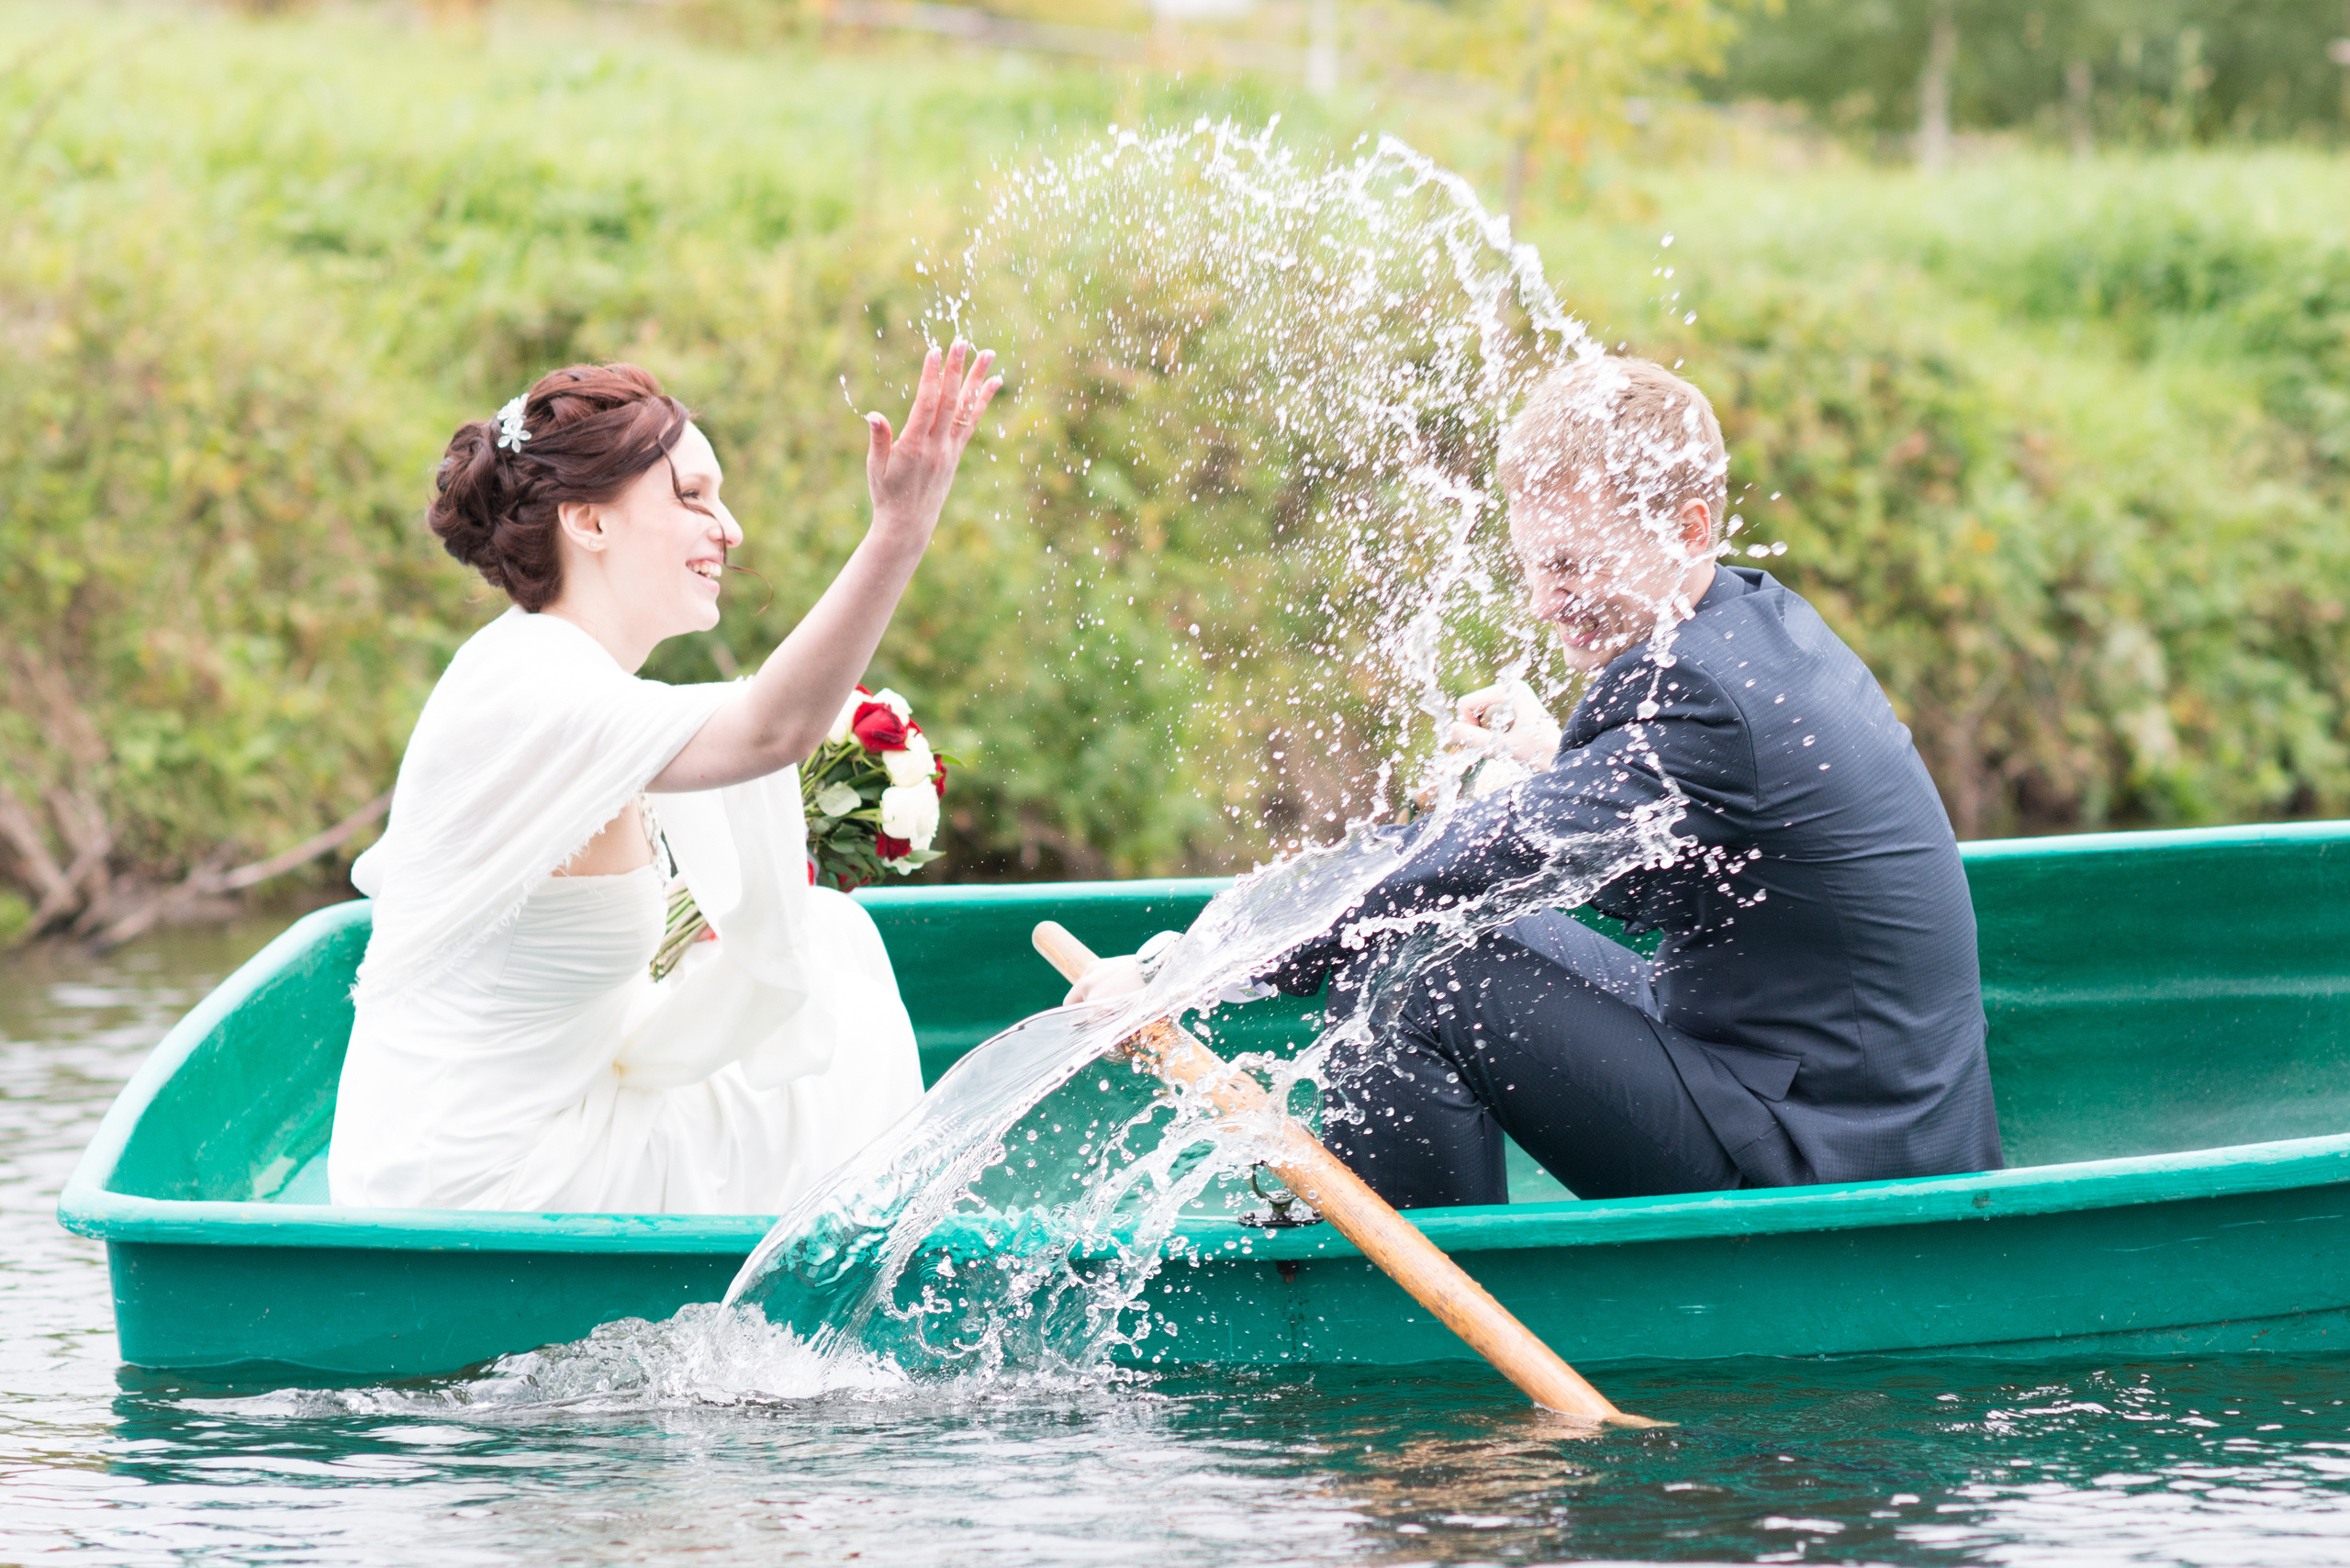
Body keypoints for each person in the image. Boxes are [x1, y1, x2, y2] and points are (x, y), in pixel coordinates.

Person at [1071, 354, 2001, 1207]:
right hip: (1813, 1094)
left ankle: (1421, 1310)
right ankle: (1394, 1214)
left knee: (1417, 955)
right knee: (1444, 915)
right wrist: (1562, 763)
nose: (1546, 600)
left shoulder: (1702, 697)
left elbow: (1456, 857)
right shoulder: (1749, 620)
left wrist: (1182, 973)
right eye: (1532, 566)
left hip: (1840, 1161)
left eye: (1572, 563)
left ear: (1688, 527)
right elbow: (1668, 850)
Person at [330, 346, 1001, 1213]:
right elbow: (775, 730)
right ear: (590, 523)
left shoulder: (556, 671)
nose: (730, 529)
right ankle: (877, 1284)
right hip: (479, 1181)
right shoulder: (536, 684)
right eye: (692, 497)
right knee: (856, 1037)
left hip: (485, 1133)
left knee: (829, 936)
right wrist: (900, 528)